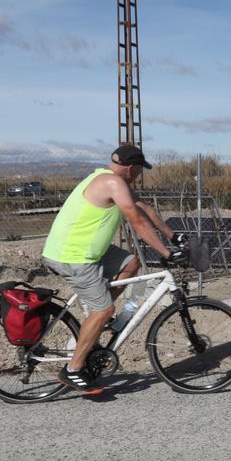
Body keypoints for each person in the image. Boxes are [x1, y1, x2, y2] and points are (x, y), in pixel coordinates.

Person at [42, 145, 185, 394]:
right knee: (104, 309)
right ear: (131, 168)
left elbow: (146, 210)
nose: (140, 175)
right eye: (140, 170)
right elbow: (136, 219)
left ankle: (98, 322)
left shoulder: (112, 180)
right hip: (73, 256)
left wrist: (175, 237)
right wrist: (166, 253)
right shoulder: (111, 184)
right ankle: (73, 369)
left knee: (131, 263)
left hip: (88, 252)